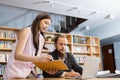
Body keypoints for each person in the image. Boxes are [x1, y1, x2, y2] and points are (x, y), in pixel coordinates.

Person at [3, 13, 56, 79]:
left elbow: (35, 61)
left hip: (26, 74)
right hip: (13, 73)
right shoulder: (26, 31)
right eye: (46, 23)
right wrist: (40, 58)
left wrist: (46, 69)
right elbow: (17, 55)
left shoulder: (41, 39)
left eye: (48, 24)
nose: (47, 26)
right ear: (38, 20)